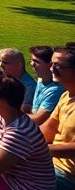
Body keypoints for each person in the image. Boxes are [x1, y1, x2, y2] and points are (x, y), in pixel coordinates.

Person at [40, 42, 75, 190]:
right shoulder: (66, 95)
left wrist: (38, 149)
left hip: (67, 176)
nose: (51, 68)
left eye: (57, 65)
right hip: (50, 164)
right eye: (51, 64)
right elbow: (47, 130)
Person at [28, 46, 65, 125]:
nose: (31, 64)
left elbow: (38, 119)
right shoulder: (41, 80)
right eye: (31, 60)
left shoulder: (55, 90)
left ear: (50, 65)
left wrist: (12, 113)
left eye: (36, 61)